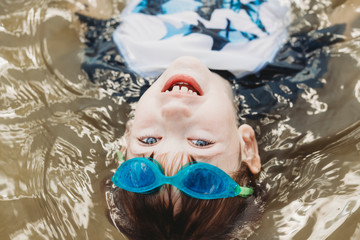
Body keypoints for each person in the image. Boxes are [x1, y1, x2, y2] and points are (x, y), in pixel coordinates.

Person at [77, 0, 347, 239]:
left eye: (149, 140)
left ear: (126, 137)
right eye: (200, 142)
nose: (173, 112)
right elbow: (341, 20)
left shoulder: (113, 65)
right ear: (247, 146)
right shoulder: (287, 76)